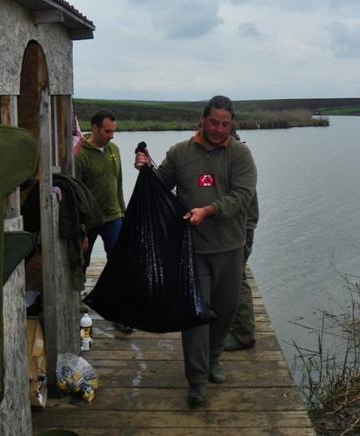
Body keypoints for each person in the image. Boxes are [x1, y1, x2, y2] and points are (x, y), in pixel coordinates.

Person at [135, 95, 257, 407]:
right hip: (192, 248)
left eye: (225, 124)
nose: (219, 129)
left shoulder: (240, 154)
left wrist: (210, 210)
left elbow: (242, 196)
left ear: (232, 124)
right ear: (203, 119)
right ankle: (197, 380)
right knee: (195, 314)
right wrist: (145, 170)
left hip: (230, 247)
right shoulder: (180, 153)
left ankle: (213, 358)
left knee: (224, 311)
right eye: (214, 122)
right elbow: (160, 186)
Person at [75, 108, 132, 334]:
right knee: (81, 262)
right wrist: (80, 230)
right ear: (95, 128)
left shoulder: (114, 150)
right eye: (108, 131)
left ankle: (120, 312)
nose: (112, 136)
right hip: (89, 221)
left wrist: (123, 213)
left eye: (113, 131)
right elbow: (75, 194)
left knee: (119, 262)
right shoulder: (80, 155)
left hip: (113, 217)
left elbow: (118, 183)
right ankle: (76, 302)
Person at [223, 191, 259, 351]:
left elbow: (240, 196)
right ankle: (231, 327)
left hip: (240, 227)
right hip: (231, 227)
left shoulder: (241, 173)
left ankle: (243, 334)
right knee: (230, 277)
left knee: (236, 277)